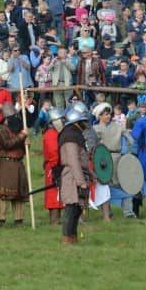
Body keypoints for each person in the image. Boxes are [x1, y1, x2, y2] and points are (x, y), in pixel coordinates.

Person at [58, 103, 92, 245]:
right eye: (83, 121)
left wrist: (91, 175)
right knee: (71, 209)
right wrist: (81, 181)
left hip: (77, 174)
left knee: (77, 209)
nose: (85, 124)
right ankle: (67, 239)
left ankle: (73, 238)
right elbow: (73, 161)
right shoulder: (70, 135)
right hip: (72, 176)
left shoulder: (75, 134)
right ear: (77, 121)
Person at [92, 103, 133, 219]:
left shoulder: (117, 127)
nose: (108, 116)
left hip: (117, 159)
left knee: (123, 184)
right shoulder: (95, 130)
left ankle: (128, 211)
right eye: (105, 114)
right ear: (99, 116)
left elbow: (128, 139)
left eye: (109, 114)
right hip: (102, 161)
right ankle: (107, 211)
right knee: (104, 186)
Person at [0, 113, 29, 227]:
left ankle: (19, 220)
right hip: (6, 164)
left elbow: (20, 146)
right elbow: (7, 144)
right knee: (4, 193)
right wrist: (21, 136)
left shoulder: (18, 128)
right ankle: (1, 219)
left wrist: (26, 144)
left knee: (19, 193)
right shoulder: (1, 129)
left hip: (18, 163)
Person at [42, 103, 66, 225]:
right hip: (53, 166)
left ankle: (58, 220)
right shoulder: (51, 135)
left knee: (59, 194)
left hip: (58, 165)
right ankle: (54, 221)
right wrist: (56, 168)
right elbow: (53, 152)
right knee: (53, 194)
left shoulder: (57, 133)